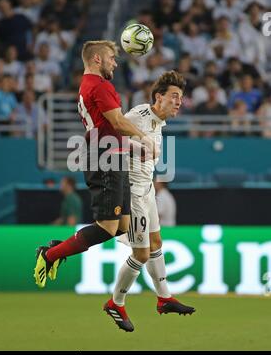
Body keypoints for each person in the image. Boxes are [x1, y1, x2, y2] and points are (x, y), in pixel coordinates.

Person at [34, 40, 156, 287]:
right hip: (105, 158)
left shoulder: (91, 85)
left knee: (123, 226)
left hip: (112, 153)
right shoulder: (99, 85)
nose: (115, 62)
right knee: (108, 227)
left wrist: (133, 147)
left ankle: (58, 249)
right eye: (111, 57)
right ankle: (49, 255)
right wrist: (145, 139)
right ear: (97, 59)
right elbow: (118, 122)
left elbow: (105, 128)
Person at [104, 71, 195, 332]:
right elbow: (108, 143)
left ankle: (164, 297)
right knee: (141, 253)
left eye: (181, 98)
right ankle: (115, 302)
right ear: (159, 97)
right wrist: (139, 148)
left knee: (156, 243)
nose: (179, 102)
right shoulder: (138, 117)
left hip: (147, 190)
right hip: (132, 192)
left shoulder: (159, 122)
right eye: (174, 97)